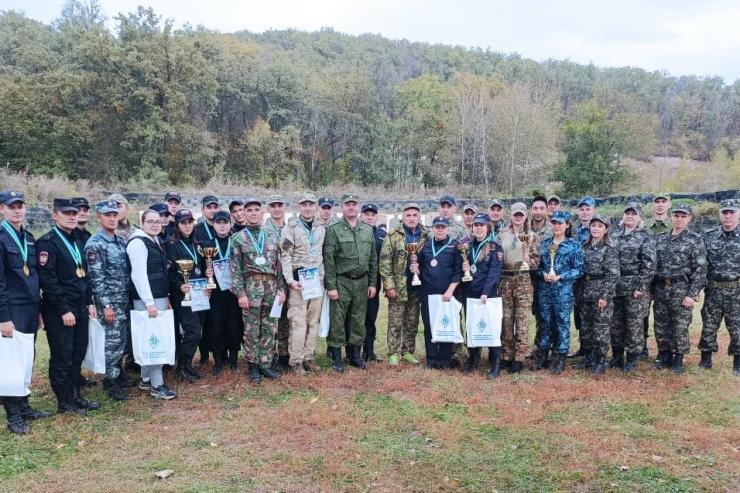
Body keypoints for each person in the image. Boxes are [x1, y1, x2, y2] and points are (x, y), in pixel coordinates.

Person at [38, 198, 99, 414]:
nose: (72, 216)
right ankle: (64, 402)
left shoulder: (77, 240)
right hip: (60, 310)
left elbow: (84, 275)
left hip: (80, 307)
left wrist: (89, 302)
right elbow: (48, 280)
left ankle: (75, 396)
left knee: (77, 354)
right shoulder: (48, 242)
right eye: (67, 213)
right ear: (55, 215)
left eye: (75, 213)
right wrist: (64, 309)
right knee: (62, 356)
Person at [0, 190, 52, 433]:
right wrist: (3, 317)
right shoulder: (1, 238)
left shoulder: (29, 238)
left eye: (20, 206)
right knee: (11, 363)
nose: (17, 210)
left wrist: (39, 309)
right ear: (2, 209)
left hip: (30, 308)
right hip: (12, 309)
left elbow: (35, 277)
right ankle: (13, 416)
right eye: (12, 207)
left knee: (27, 359)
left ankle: (24, 405)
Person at [230, 198, 286, 383]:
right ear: (244, 214)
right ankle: (253, 366)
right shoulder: (238, 238)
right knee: (252, 330)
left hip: (271, 287)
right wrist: (241, 294)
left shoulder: (272, 235)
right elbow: (235, 269)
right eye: (250, 210)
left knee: (270, 327)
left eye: (256, 210)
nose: (253, 213)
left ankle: (266, 364)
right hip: (251, 288)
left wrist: (282, 289)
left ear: (262, 213)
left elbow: (279, 266)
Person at [323, 195, 378, 372]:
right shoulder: (334, 230)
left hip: (362, 281)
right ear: (342, 207)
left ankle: (354, 355)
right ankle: (337, 356)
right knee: (338, 319)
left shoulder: (367, 230)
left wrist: (372, 283)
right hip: (342, 281)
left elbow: (372, 260)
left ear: (358, 207)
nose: (352, 207)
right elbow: (329, 260)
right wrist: (331, 286)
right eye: (348, 204)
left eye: (354, 204)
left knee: (358, 319)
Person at [126, 209, 177, 399]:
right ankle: (158, 385)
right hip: (148, 300)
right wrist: (149, 303)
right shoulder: (138, 243)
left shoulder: (154, 240)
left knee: (150, 338)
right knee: (154, 340)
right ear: (142, 222)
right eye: (150, 221)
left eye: (158, 221)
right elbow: (138, 275)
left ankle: (146, 379)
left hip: (158, 297)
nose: (155, 224)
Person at [84, 199, 132, 401]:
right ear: (99, 217)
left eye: (114, 214)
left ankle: (118, 375)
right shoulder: (95, 244)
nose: (112, 218)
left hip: (124, 299)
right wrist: (106, 305)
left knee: (121, 339)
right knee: (111, 343)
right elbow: (97, 278)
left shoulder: (120, 240)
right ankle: (110, 382)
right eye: (107, 215)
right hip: (110, 303)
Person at [653, 203, 707, 374]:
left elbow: (701, 269)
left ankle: (678, 357)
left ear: (689, 218)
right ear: (671, 216)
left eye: (683, 216)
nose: (679, 219)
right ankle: (664, 354)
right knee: (661, 323)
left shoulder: (694, 239)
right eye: (676, 215)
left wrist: (692, 294)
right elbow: (653, 265)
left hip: (681, 287)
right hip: (662, 287)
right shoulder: (661, 238)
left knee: (680, 324)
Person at [280, 193, 326, 375]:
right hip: (298, 281)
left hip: (316, 281)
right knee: (298, 322)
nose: (307, 208)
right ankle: (296, 360)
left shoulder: (321, 227)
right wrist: (290, 281)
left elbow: (321, 254)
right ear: (299, 207)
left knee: (313, 321)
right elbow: (285, 255)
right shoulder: (290, 227)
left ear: (316, 206)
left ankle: (309, 357)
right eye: (304, 204)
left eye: (311, 204)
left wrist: (322, 278)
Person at [533, 211, 584, 374]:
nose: (556, 226)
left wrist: (562, 276)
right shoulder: (544, 244)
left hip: (563, 290)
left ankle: (560, 357)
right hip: (544, 290)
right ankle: (543, 355)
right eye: (554, 223)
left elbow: (580, 269)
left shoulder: (574, 246)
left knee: (562, 323)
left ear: (567, 225)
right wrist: (543, 274)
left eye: (560, 223)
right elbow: (536, 267)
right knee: (544, 323)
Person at [610, 202, 656, 372]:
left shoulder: (645, 236)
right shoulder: (615, 235)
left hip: (635, 288)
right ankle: (617, 356)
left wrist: (641, 287)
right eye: (627, 213)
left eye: (633, 214)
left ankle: (632, 358)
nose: (629, 216)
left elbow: (649, 265)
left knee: (634, 323)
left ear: (639, 217)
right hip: (616, 286)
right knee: (616, 322)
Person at [165, 209, 209, 383]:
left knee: (198, 330)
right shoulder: (171, 245)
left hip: (200, 294)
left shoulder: (197, 244)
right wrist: (179, 285)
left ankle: (188, 365)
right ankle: (181, 367)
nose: (187, 226)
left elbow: (203, 268)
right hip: (183, 295)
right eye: (183, 223)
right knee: (192, 331)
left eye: (190, 222)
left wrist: (208, 280)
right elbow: (169, 272)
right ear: (177, 225)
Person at [380, 203, 426, 366]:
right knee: (395, 321)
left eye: (415, 215)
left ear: (419, 217)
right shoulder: (393, 236)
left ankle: (407, 351)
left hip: (418, 286)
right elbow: (385, 263)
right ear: (403, 217)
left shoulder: (426, 235)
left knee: (412, 321)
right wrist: (389, 286)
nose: (412, 218)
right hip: (398, 286)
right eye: (408, 215)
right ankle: (393, 352)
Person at [497, 202, 541, 373]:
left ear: (525, 215)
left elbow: (537, 261)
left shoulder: (532, 236)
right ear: (511, 215)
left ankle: (519, 357)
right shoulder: (502, 234)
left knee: (521, 320)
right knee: (506, 320)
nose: (518, 217)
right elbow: (496, 257)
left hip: (522, 280)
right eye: (515, 214)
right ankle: (506, 355)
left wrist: (529, 261)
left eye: (521, 214)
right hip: (505, 280)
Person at [413, 216, 462, 369]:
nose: (440, 229)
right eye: (437, 227)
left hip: (447, 293)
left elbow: (458, 271)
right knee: (429, 325)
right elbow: (419, 267)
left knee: (446, 325)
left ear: (447, 228)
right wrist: (415, 270)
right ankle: (432, 359)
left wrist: (450, 291)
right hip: (428, 293)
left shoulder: (455, 246)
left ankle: (445, 360)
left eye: (442, 227)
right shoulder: (426, 246)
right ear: (432, 228)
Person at [699, 200, 739, 375]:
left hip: (736, 291)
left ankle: (738, 362)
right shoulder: (709, 235)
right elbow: (702, 264)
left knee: (737, 326)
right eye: (725, 212)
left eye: (731, 212)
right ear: (720, 215)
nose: (728, 216)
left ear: (738, 214)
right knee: (709, 325)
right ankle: (705, 360)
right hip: (713, 289)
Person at [461, 213, 503, 377]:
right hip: (470, 292)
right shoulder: (467, 245)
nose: (478, 228)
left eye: (482, 225)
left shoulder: (494, 247)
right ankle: (473, 360)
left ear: (488, 227)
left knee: (492, 329)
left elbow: (494, 272)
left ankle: (495, 365)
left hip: (488, 294)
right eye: (476, 225)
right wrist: (464, 264)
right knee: (472, 326)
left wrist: (486, 292)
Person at [576, 215, 619, 374]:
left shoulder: (609, 248)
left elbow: (613, 275)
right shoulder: (585, 247)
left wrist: (605, 296)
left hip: (601, 293)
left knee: (601, 328)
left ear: (606, 229)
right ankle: (588, 358)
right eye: (593, 225)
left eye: (600, 226)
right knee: (586, 327)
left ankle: (600, 360)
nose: (595, 228)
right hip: (586, 292)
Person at [206, 210, 243, 374]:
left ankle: (234, 360)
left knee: (234, 325)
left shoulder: (236, 241)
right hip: (216, 293)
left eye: (225, 223)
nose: (222, 226)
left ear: (230, 224)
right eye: (218, 223)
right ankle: (219, 361)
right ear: (214, 224)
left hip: (234, 291)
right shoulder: (206, 244)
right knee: (216, 326)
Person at [642, 192, 673, 359]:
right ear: (653, 205)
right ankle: (641, 346)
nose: (660, 204)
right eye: (657, 202)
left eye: (663, 201)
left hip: (665, 278)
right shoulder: (644, 227)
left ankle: (665, 350)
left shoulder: (675, 225)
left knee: (664, 315)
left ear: (669, 204)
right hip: (646, 277)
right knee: (641, 313)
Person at [265, 194, 290, 369]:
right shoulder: (263, 230)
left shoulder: (291, 229)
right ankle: (270, 355)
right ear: (268, 209)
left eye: (279, 205)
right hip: (270, 282)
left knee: (285, 320)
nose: (276, 208)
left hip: (289, 280)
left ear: (284, 208)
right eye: (273, 205)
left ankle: (284, 354)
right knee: (271, 319)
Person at [194, 195, 220, 364]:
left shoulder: (225, 227)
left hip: (222, 283)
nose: (212, 210)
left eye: (214, 207)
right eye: (208, 207)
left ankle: (219, 354)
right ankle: (203, 356)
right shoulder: (196, 230)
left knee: (217, 321)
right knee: (203, 320)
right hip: (203, 283)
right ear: (203, 210)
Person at [361, 202, 387, 362]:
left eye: (373, 215)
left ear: (377, 217)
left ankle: (369, 351)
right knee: (356, 318)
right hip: (356, 281)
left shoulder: (382, 235)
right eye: (367, 214)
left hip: (374, 283)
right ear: (361, 215)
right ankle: (354, 350)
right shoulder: (356, 232)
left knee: (371, 317)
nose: (370, 217)